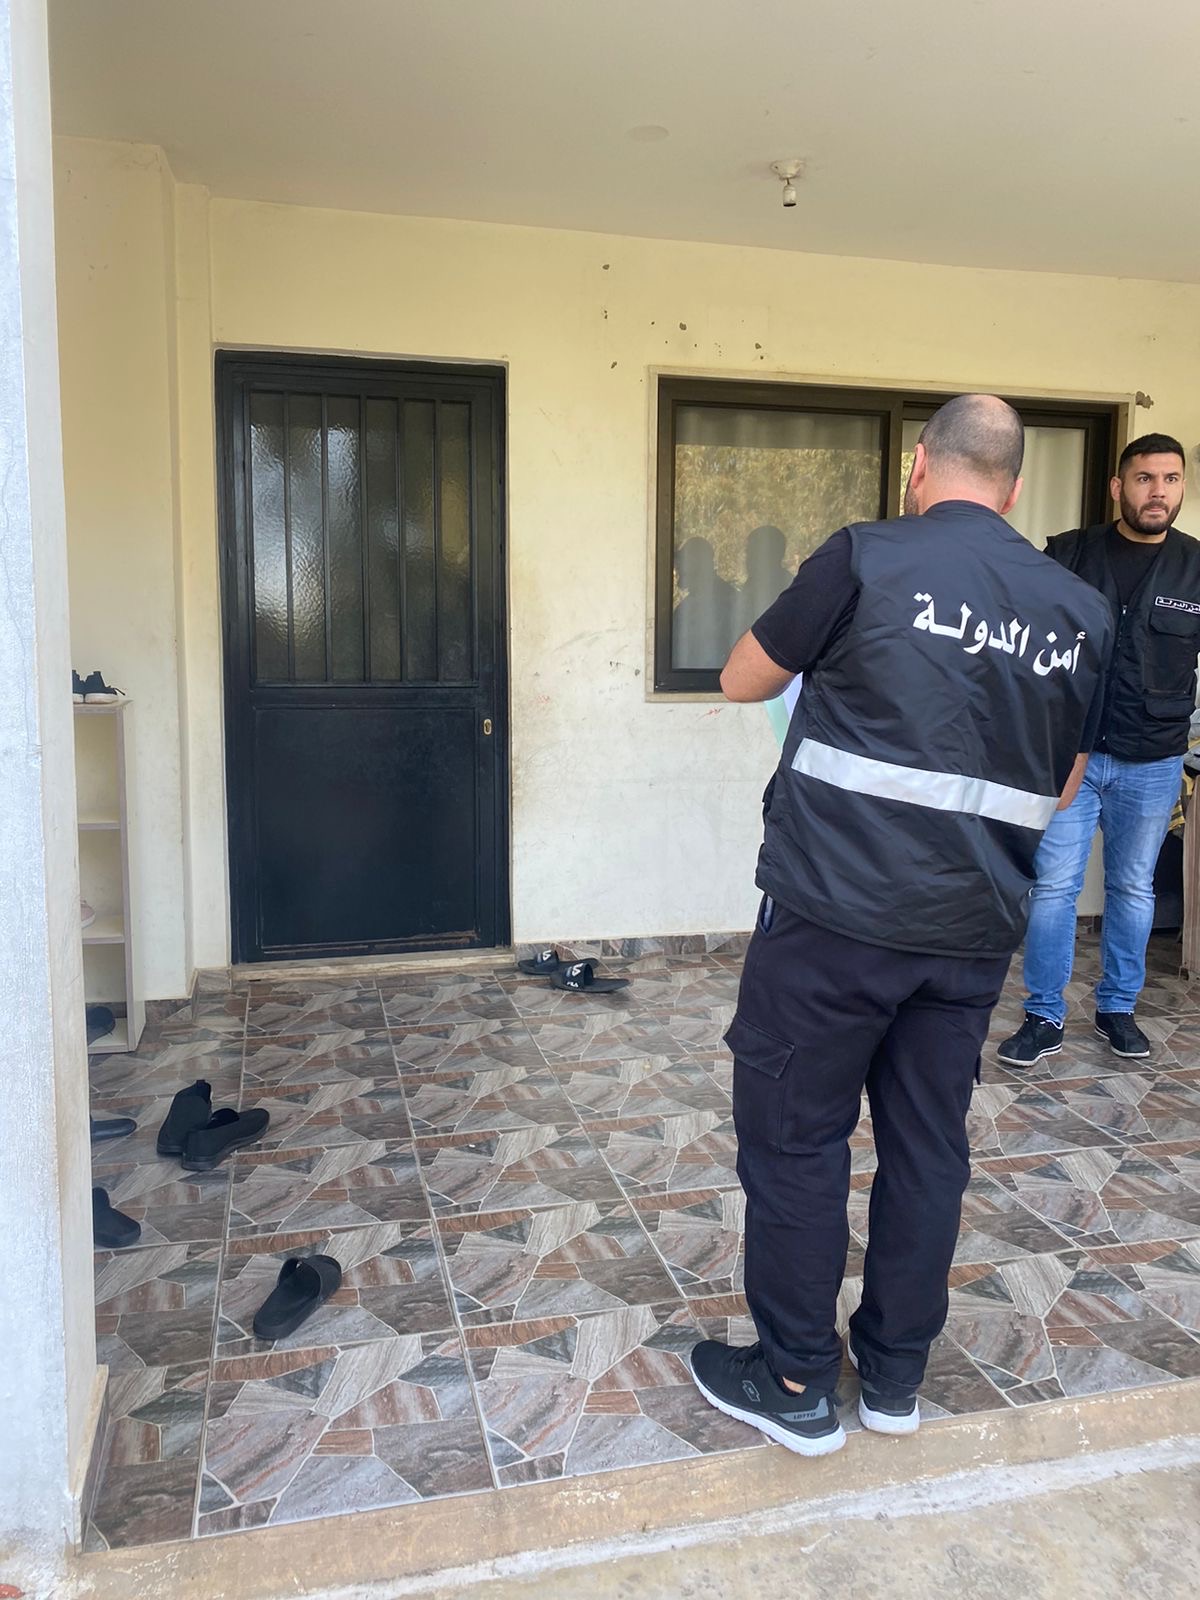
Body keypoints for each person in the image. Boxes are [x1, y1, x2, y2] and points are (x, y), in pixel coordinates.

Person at [688, 395, 1112, 1456]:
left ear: (920, 465)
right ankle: (892, 1378)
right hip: (970, 934)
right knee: (927, 1150)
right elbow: (1064, 784)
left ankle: (794, 1378)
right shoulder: (1078, 610)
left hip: (832, 920)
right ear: (1015, 488)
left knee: (797, 1141)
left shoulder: (865, 557)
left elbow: (741, 678)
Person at [999, 434, 1200, 1067]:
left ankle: (1118, 1009)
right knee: (1053, 887)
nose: (1158, 491)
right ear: (1118, 487)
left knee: (1133, 889)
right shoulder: (1067, 554)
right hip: (1071, 756)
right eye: (1144, 478)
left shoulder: (1196, 567)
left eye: (1170, 479)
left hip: (1153, 758)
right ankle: (1043, 1016)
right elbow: (1022, 638)